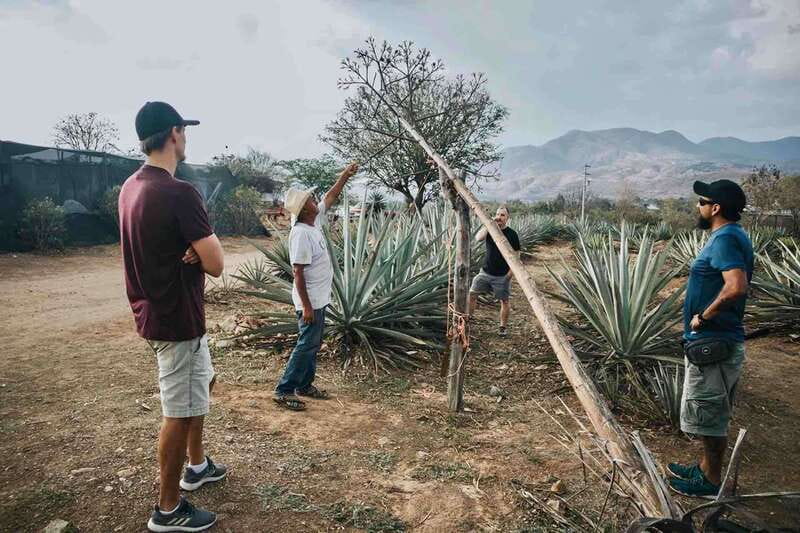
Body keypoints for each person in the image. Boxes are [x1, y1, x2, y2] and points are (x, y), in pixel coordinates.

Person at [119, 101, 227, 532]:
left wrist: (192, 252)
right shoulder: (179, 191)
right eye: (184, 130)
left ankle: (197, 466)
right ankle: (167, 509)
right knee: (178, 410)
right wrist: (199, 254)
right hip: (176, 318)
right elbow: (217, 262)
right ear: (174, 134)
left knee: (203, 382)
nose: (186, 138)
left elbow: (162, 244)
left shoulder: (131, 186)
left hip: (156, 311)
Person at [668, 179, 753, 498]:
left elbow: (736, 286)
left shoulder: (725, 239)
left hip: (713, 343)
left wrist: (703, 317)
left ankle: (711, 481)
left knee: (709, 415)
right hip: (717, 342)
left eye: (701, 201)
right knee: (711, 411)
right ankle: (705, 469)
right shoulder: (732, 236)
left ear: (715, 208)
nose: (697, 206)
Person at [273, 162, 359, 411]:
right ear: (303, 210)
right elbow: (297, 273)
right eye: (311, 199)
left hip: (319, 298)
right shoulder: (300, 233)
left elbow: (331, 196)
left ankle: (305, 385)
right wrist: (307, 307)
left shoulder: (314, 222)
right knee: (306, 343)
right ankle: (284, 389)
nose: (315, 200)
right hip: (309, 301)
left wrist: (344, 175)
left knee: (312, 344)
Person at [468, 206, 521, 336]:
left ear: (507, 218)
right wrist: (489, 224)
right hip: (485, 272)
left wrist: (510, 274)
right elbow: (478, 238)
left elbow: (517, 254)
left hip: (502, 275)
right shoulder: (490, 230)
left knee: (504, 301)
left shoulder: (512, 234)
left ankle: (502, 327)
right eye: (497, 214)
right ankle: (468, 320)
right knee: (472, 294)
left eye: (502, 215)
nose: (499, 217)